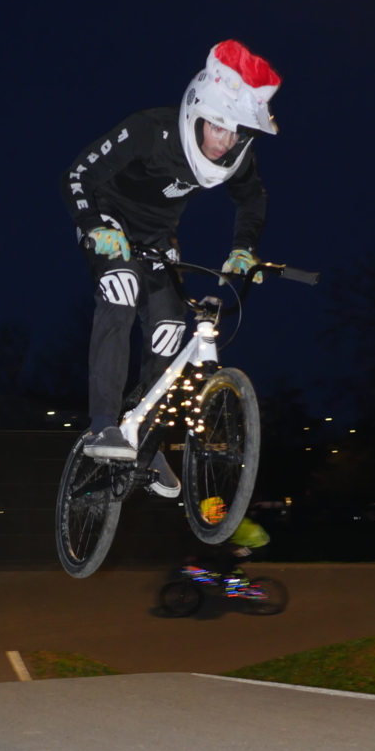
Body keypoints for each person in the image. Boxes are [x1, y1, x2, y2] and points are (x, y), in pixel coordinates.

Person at [61, 39, 281, 497]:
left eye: (235, 134)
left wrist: (244, 250)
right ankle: (103, 424)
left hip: (159, 242)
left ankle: (143, 435)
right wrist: (92, 225)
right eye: (218, 128)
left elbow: (252, 198)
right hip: (110, 223)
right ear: (197, 112)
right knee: (121, 288)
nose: (224, 143)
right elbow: (78, 174)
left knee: (169, 328)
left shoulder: (235, 154)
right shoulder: (151, 130)